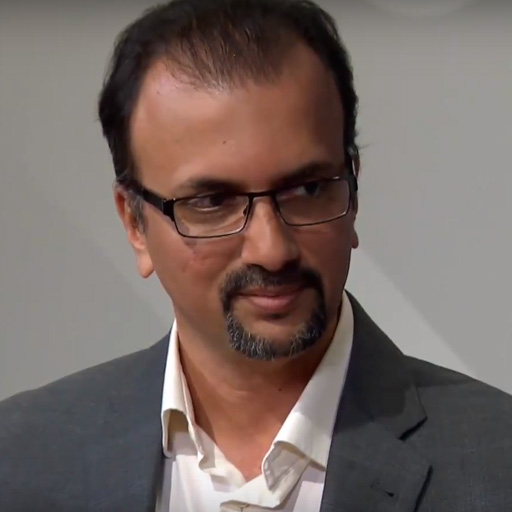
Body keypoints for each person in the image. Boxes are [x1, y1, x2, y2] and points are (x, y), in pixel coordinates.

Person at [1, 0, 511, 510]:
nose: (272, 250)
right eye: (211, 202)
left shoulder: (495, 463)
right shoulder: (21, 459)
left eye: (308, 189)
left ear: (353, 192)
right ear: (135, 223)